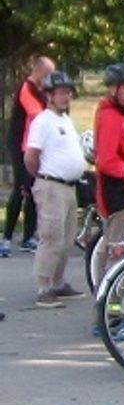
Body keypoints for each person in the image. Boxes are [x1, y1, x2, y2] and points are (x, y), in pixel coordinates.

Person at [24, 72, 87, 308]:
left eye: (68, 93)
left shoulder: (66, 120)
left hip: (69, 186)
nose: (65, 97)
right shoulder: (43, 121)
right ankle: (44, 286)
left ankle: (58, 282)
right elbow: (31, 156)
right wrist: (42, 176)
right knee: (51, 237)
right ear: (49, 95)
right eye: (60, 93)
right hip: (51, 184)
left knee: (68, 238)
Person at [91, 63, 124, 283]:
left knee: (119, 248)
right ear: (114, 89)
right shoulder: (111, 117)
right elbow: (107, 160)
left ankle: (109, 304)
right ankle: (111, 310)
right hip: (118, 195)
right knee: (119, 253)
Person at [3, 55, 54, 256]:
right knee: (21, 189)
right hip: (20, 146)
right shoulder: (27, 88)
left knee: (34, 191)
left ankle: (28, 237)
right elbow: (37, 114)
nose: (50, 78)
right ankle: (6, 238)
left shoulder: (41, 91)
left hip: (34, 146)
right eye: (48, 74)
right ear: (39, 71)